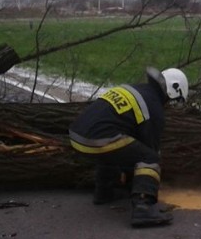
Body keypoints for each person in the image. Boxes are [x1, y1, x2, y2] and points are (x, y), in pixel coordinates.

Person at [69, 66, 189, 228]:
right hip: (98, 139)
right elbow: (148, 149)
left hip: (76, 136)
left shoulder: (136, 89)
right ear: (174, 90)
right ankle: (143, 208)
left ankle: (104, 192)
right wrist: (144, 185)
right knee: (150, 157)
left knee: (116, 148)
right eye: (173, 101)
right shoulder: (153, 108)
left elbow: (130, 148)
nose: (169, 105)